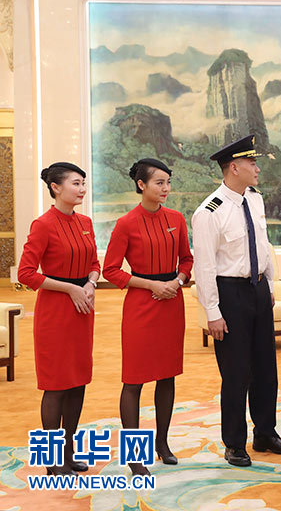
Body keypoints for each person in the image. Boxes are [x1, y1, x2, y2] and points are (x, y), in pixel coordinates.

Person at [192, 135, 281, 467]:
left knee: (266, 368)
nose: (257, 168)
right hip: (230, 294)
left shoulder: (254, 199)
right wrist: (212, 311)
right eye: (252, 163)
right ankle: (234, 443)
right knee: (237, 373)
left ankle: (265, 433)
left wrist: (269, 284)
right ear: (234, 168)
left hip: (258, 290)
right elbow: (205, 266)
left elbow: (262, 245)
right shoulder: (209, 212)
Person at [102, 158, 193, 474]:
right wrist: (152, 284)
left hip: (172, 303)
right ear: (141, 185)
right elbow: (111, 270)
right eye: (159, 183)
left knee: (167, 376)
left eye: (168, 182)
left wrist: (177, 281)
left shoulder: (176, 219)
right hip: (141, 306)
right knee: (134, 380)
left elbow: (187, 259)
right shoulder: (126, 223)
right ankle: (133, 455)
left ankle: (162, 444)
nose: (166, 188)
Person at [18, 162, 100, 476]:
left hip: (83, 311)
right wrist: (70, 288)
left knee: (78, 383)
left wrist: (90, 284)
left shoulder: (86, 222)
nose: (82, 189)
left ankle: (68, 454)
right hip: (55, 313)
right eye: (76, 183)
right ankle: (53, 462)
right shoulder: (43, 225)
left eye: (83, 183)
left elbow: (94, 263)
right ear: (56, 187)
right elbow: (26, 274)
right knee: (56, 386)